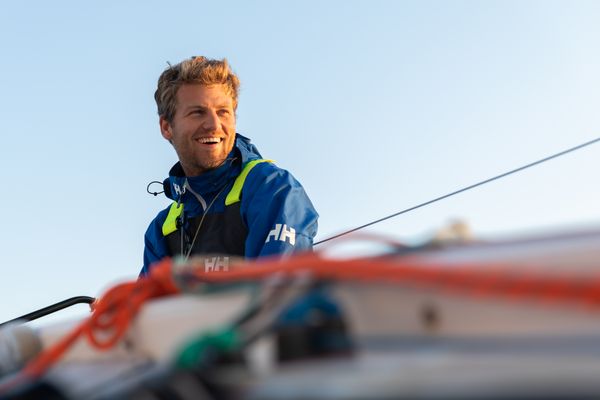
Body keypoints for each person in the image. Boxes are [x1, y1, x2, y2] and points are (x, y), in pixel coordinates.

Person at [140, 56, 318, 276]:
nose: (214, 125)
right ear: (167, 127)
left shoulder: (272, 188)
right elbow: (145, 306)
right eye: (197, 112)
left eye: (223, 112)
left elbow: (277, 293)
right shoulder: (162, 230)